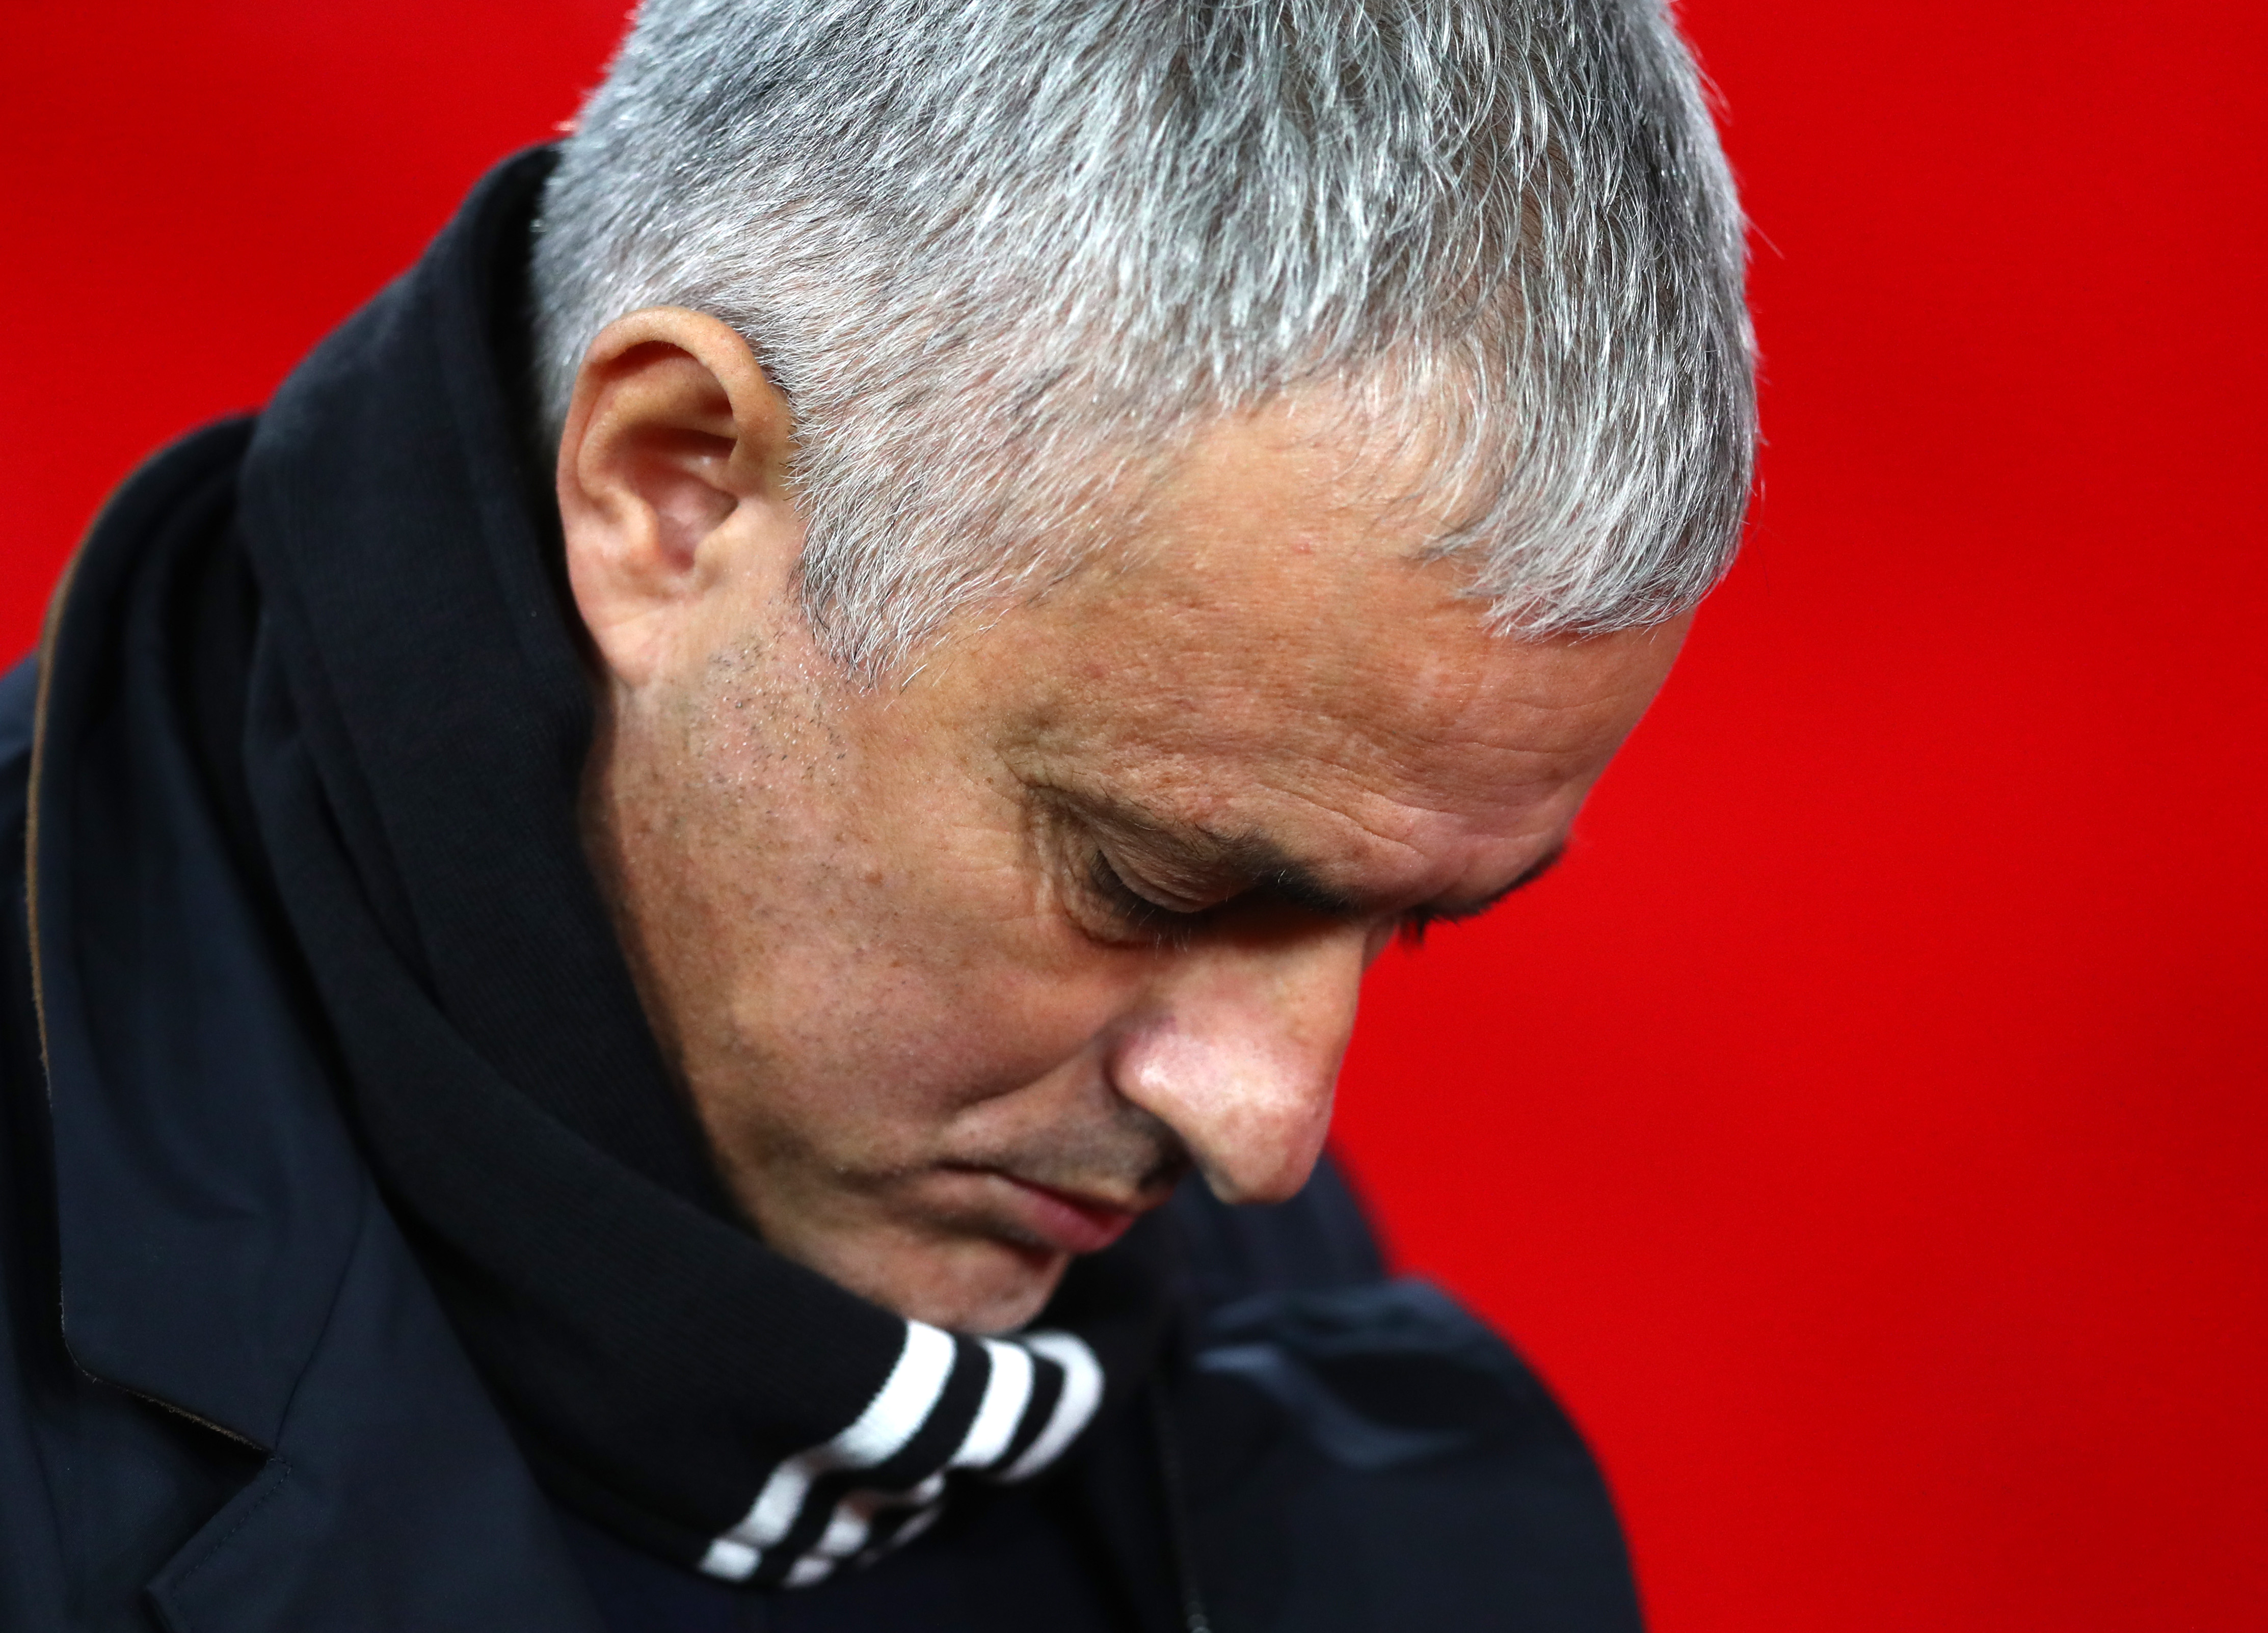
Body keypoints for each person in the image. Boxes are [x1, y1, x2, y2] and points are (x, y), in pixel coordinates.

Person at [0, 2, 1752, 1628]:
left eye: (1407, 927)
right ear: (674, 490)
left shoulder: (1192, 1267)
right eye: (1147, 884)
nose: (1266, 1135)